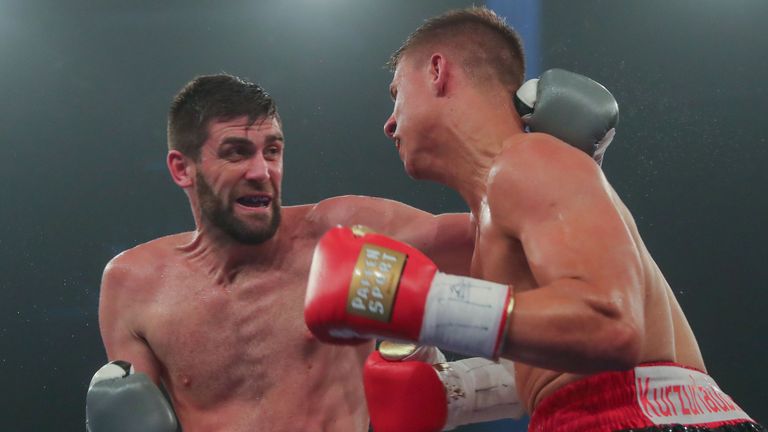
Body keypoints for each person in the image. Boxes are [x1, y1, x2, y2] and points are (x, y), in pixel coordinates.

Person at [303, 7, 765, 432]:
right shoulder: (491, 222)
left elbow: (609, 325)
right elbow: (569, 358)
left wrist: (425, 306)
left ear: (438, 72)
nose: (389, 122)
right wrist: (456, 393)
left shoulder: (529, 160)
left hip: (642, 415)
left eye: (396, 94)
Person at [85, 71, 613, 432]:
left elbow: (498, 236)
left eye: (272, 150)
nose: (261, 171)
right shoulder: (132, 283)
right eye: (236, 152)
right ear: (182, 169)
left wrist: (568, 164)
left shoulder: (344, 232)